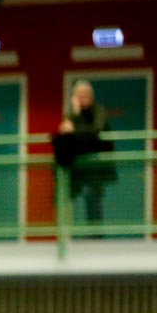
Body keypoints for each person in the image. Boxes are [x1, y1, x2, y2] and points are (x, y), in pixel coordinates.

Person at [54, 80, 114, 228]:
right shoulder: (73, 113)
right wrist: (74, 113)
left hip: (96, 164)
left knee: (92, 196)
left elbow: (95, 130)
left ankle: (95, 236)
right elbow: (65, 131)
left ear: (91, 97)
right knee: (65, 194)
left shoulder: (98, 110)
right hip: (77, 166)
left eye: (85, 96)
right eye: (78, 96)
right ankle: (65, 236)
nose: (82, 99)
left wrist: (74, 128)